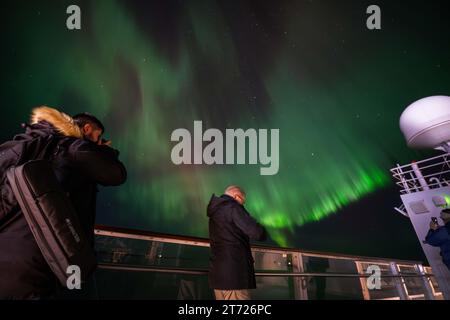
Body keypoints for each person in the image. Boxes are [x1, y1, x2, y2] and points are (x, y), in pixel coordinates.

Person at [0, 106, 127, 299]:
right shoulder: (72, 147)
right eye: (98, 136)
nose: (99, 140)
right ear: (86, 130)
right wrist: (104, 151)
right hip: (34, 263)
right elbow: (115, 174)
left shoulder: (25, 143)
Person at [207, 185, 267, 300]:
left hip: (218, 273)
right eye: (242, 203)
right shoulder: (232, 207)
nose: (242, 205)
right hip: (233, 275)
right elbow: (256, 232)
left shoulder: (215, 211)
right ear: (237, 196)